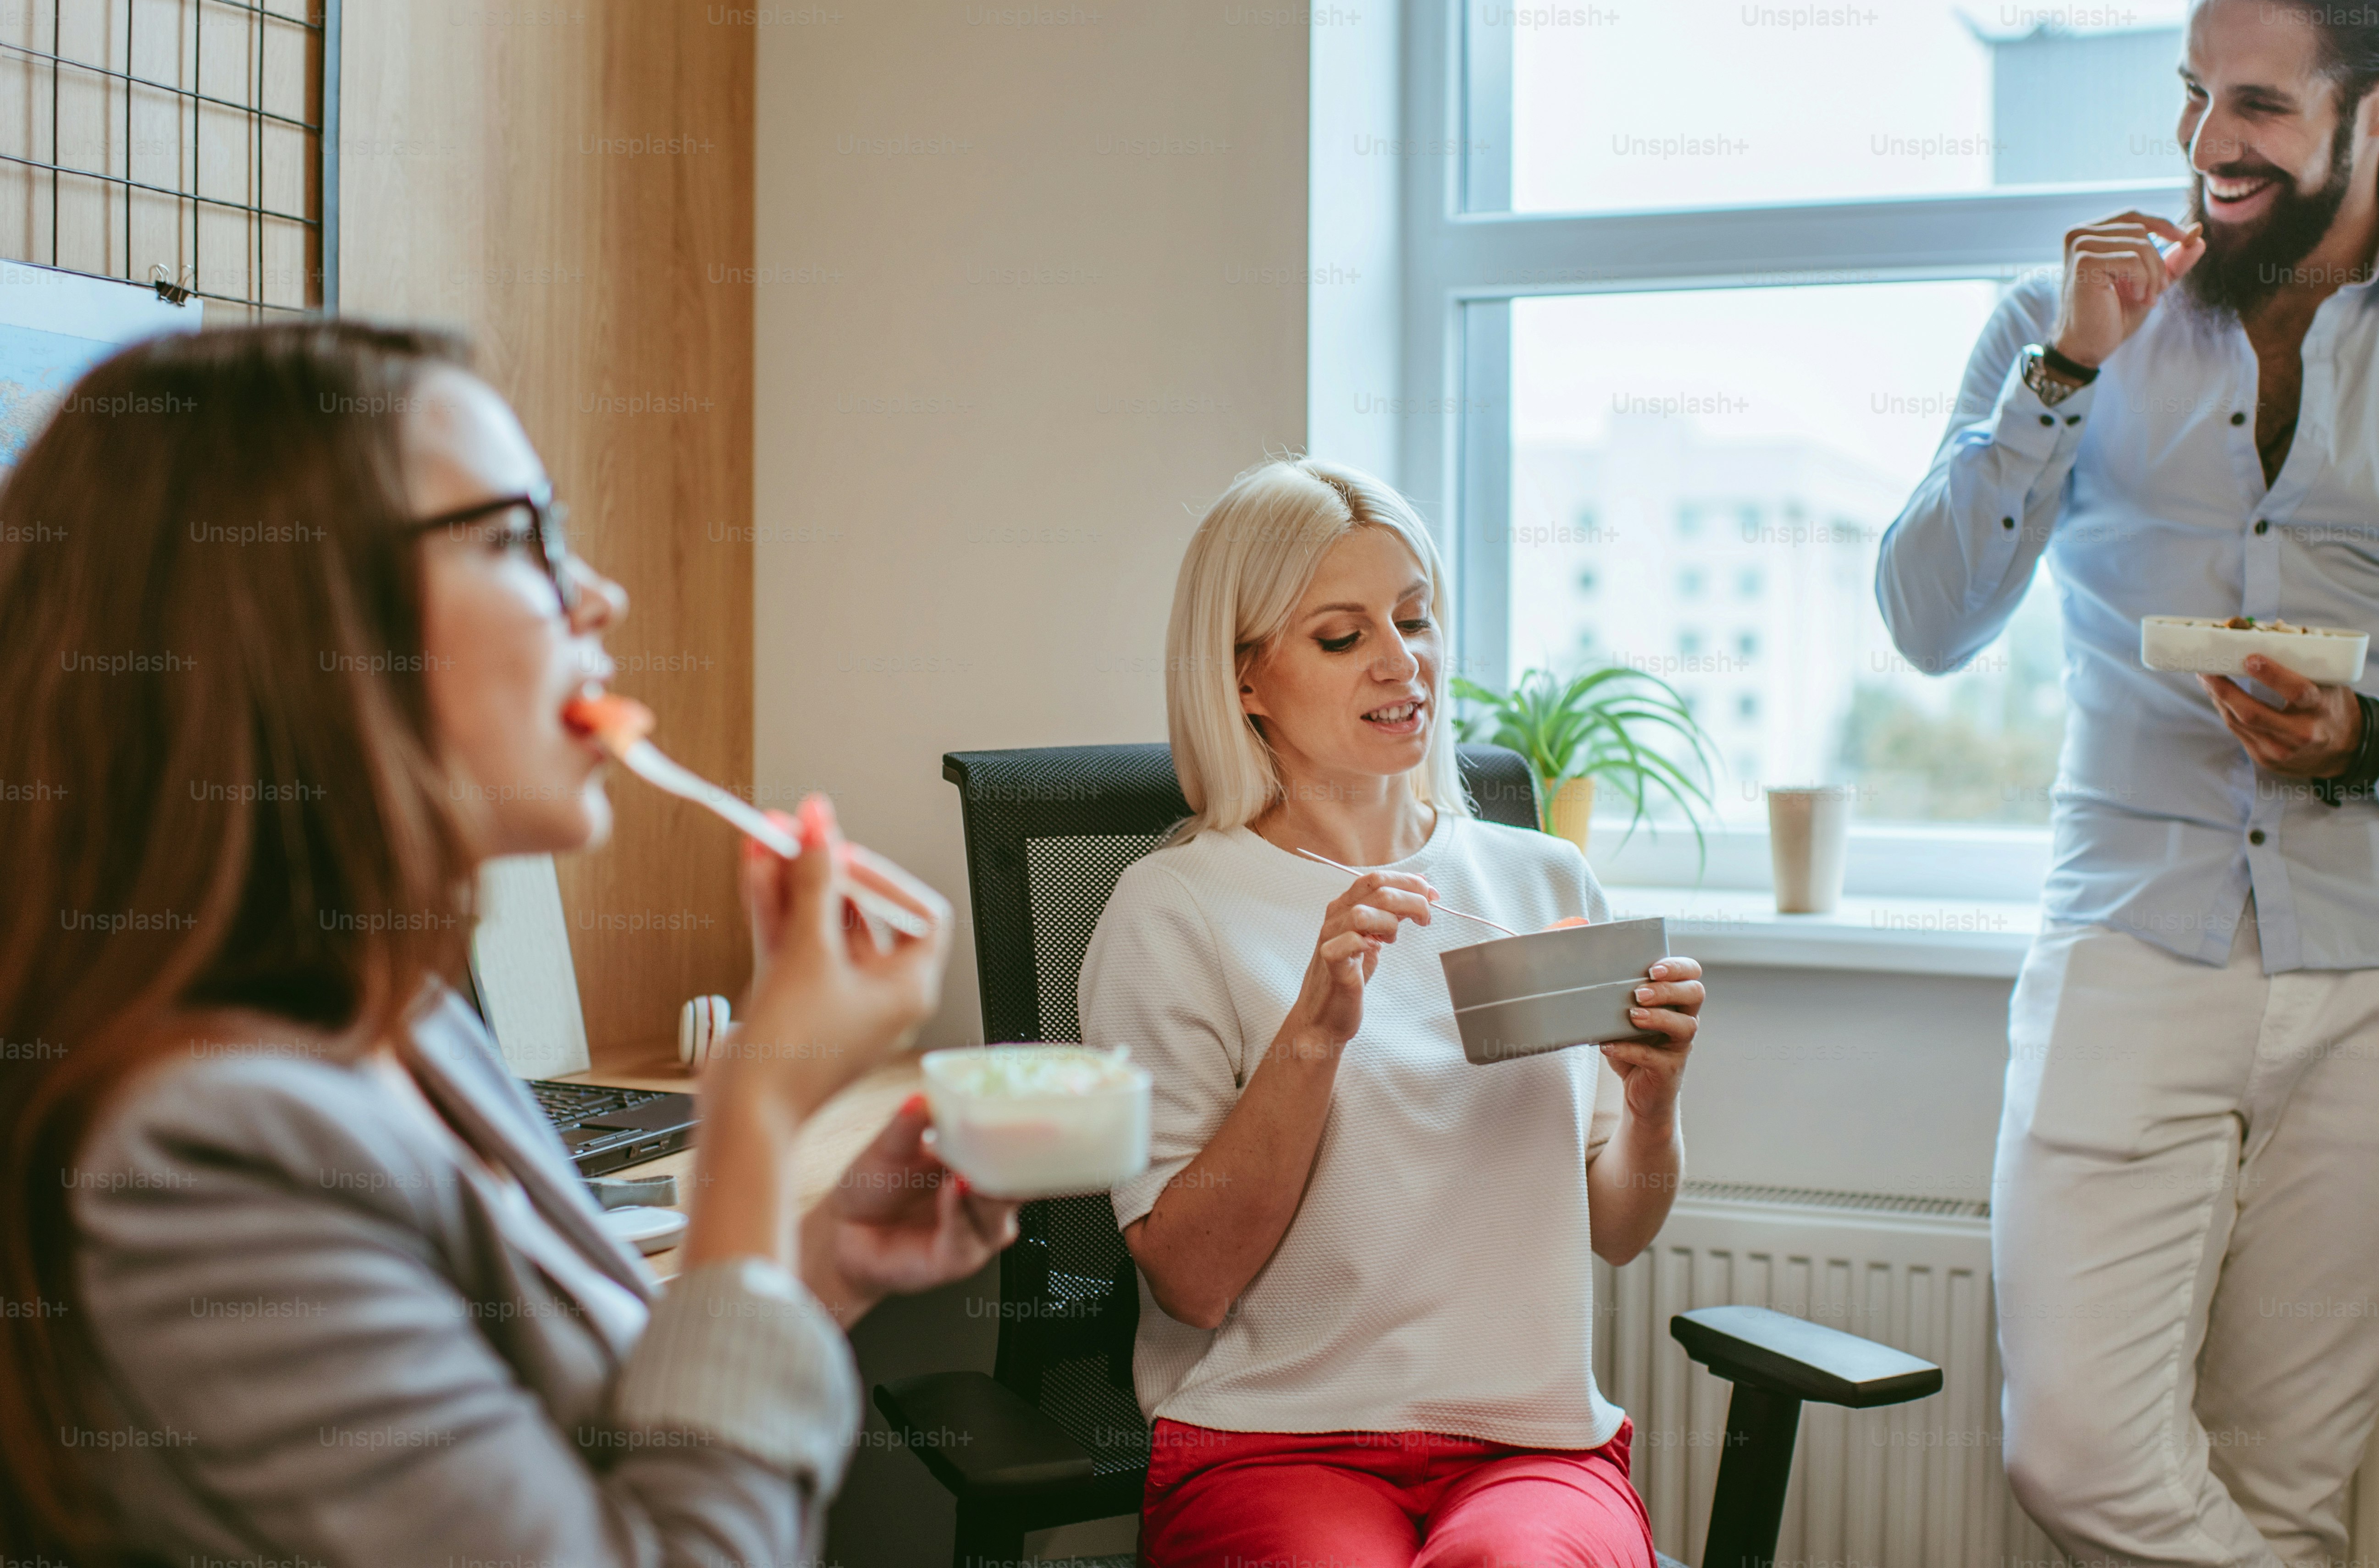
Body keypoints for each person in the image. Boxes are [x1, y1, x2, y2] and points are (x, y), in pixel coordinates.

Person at [0, 322, 1018, 1566]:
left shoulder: (411, 1026)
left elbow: (561, 1441)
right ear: (291, 615)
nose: (601, 597)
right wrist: (753, 1119)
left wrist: (813, 1264)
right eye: (514, 536)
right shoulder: (204, 1157)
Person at [1877, 0, 2379, 1568]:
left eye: (2258, 106)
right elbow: (1925, 621)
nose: (2208, 142)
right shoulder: (2060, 325)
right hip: (2132, 945)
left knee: (2287, 1489)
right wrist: (2057, 375)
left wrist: (2374, 740)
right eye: (2195, 95)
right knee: (2074, 1455)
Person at [1079, 457, 1705, 1568]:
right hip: (1271, 1442)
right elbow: (1190, 1276)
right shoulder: (1172, 909)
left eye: (1413, 619)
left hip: (1529, 1447)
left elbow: (1616, 1227)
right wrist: (1313, 1035)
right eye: (1339, 635)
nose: (1399, 659)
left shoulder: (1547, 882)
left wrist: (1651, 1108)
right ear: (1244, 680)